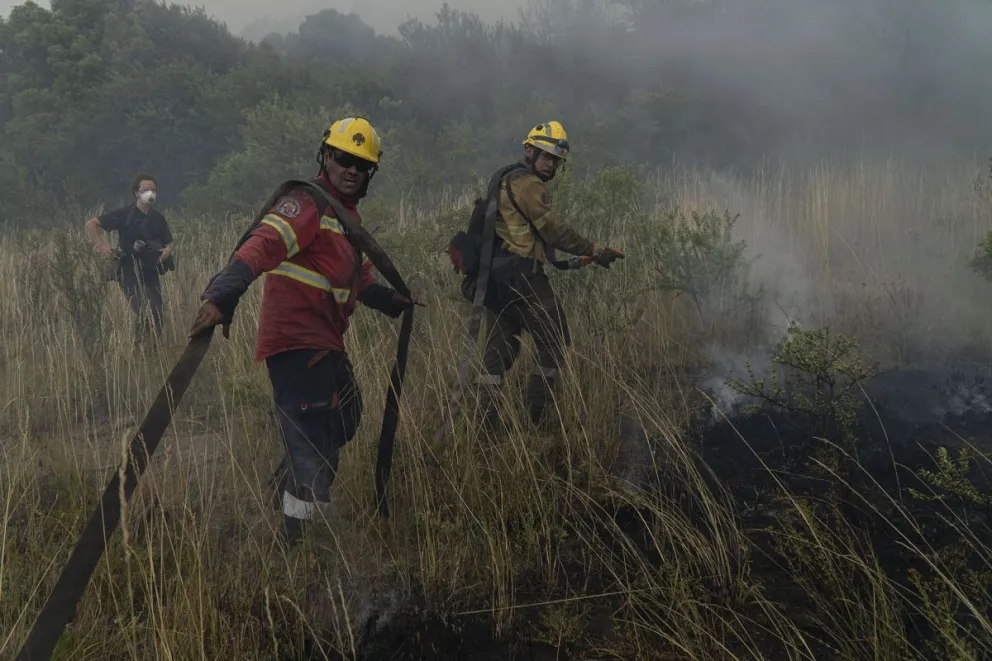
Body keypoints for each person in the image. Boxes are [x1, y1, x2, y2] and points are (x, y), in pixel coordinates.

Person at [188, 116, 416, 546]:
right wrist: (222, 295)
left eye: (362, 165)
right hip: (296, 343)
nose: (352, 170)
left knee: (345, 417)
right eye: (345, 159)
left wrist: (392, 301)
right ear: (326, 156)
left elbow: (360, 280)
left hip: (324, 343)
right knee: (313, 446)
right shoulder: (306, 203)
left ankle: (290, 487)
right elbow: (262, 244)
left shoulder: (345, 219)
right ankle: (302, 543)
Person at [475, 121, 624, 435]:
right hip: (522, 279)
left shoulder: (504, 178)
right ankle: (536, 423)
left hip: (496, 282)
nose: (550, 163)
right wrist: (595, 250)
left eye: (555, 159)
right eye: (545, 155)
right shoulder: (529, 184)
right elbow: (555, 232)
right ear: (529, 150)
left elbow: (529, 236)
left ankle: (483, 430)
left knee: (496, 355)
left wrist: (575, 261)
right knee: (556, 341)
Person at [85, 174, 174, 345]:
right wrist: (103, 246)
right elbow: (91, 224)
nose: (151, 193)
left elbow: (169, 242)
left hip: (150, 269)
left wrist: (167, 251)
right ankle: (139, 349)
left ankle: (151, 351)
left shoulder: (158, 219)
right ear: (136, 193)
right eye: (146, 189)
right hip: (128, 269)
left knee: (157, 312)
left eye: (153, 190)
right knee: (144, 308)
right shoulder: (124, 214)